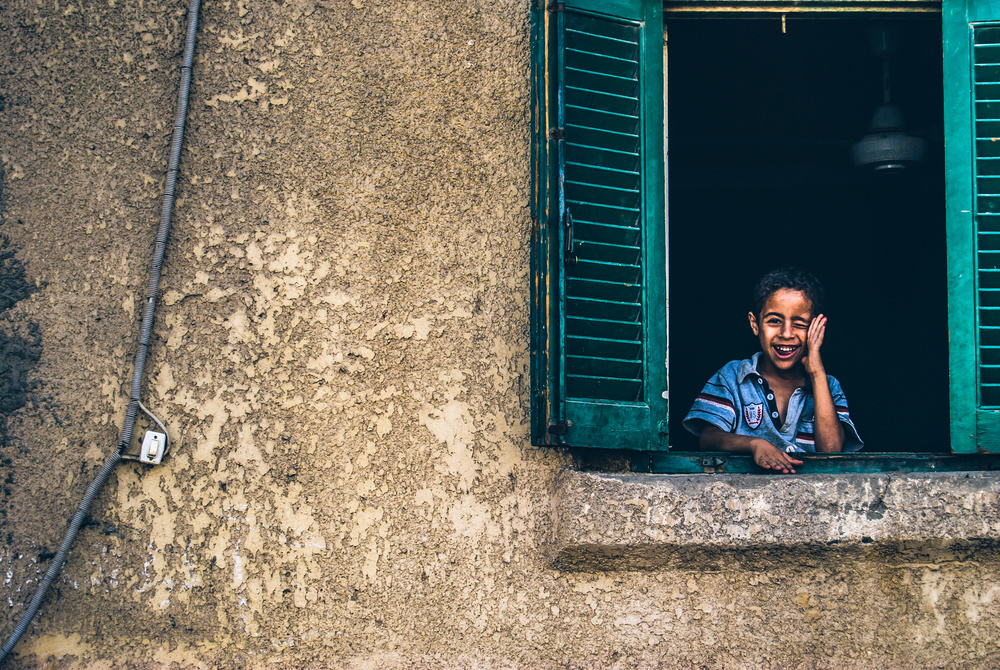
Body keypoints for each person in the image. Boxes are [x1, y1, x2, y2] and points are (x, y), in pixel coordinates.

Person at [682, 268, 863, 474]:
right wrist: (754, 444)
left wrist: (816, 373)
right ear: (755, 324)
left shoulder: (828, 386)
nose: (786, 334)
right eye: (775, 321)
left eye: (799, 324)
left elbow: (831, 452)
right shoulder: (734, 377)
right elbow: (708, 438)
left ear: (816, 329)